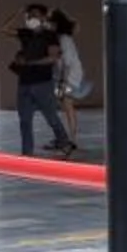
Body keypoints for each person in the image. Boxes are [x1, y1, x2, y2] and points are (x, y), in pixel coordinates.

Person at [7, 4, 74, 157]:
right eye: (29, 15)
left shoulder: (50, 36)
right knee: (24, 120)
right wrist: (18, 12)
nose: (32, 18)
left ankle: (64, 140)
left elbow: (53, 58)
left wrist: (30, 63)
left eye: (36, 15)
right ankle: (27, 154)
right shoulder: (25, 33)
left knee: (51, 116)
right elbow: (5, 29)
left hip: (42, 83)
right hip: (24, 82)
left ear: (43, 17)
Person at [51, 10, 89, 150]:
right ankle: (69, 137)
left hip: (70, 77)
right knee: (66, 105)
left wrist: (63, 82)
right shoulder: (62, 38)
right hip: (66, 76)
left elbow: (67, 63)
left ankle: (72, 138)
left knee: (67, 105)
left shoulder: (64, 40)